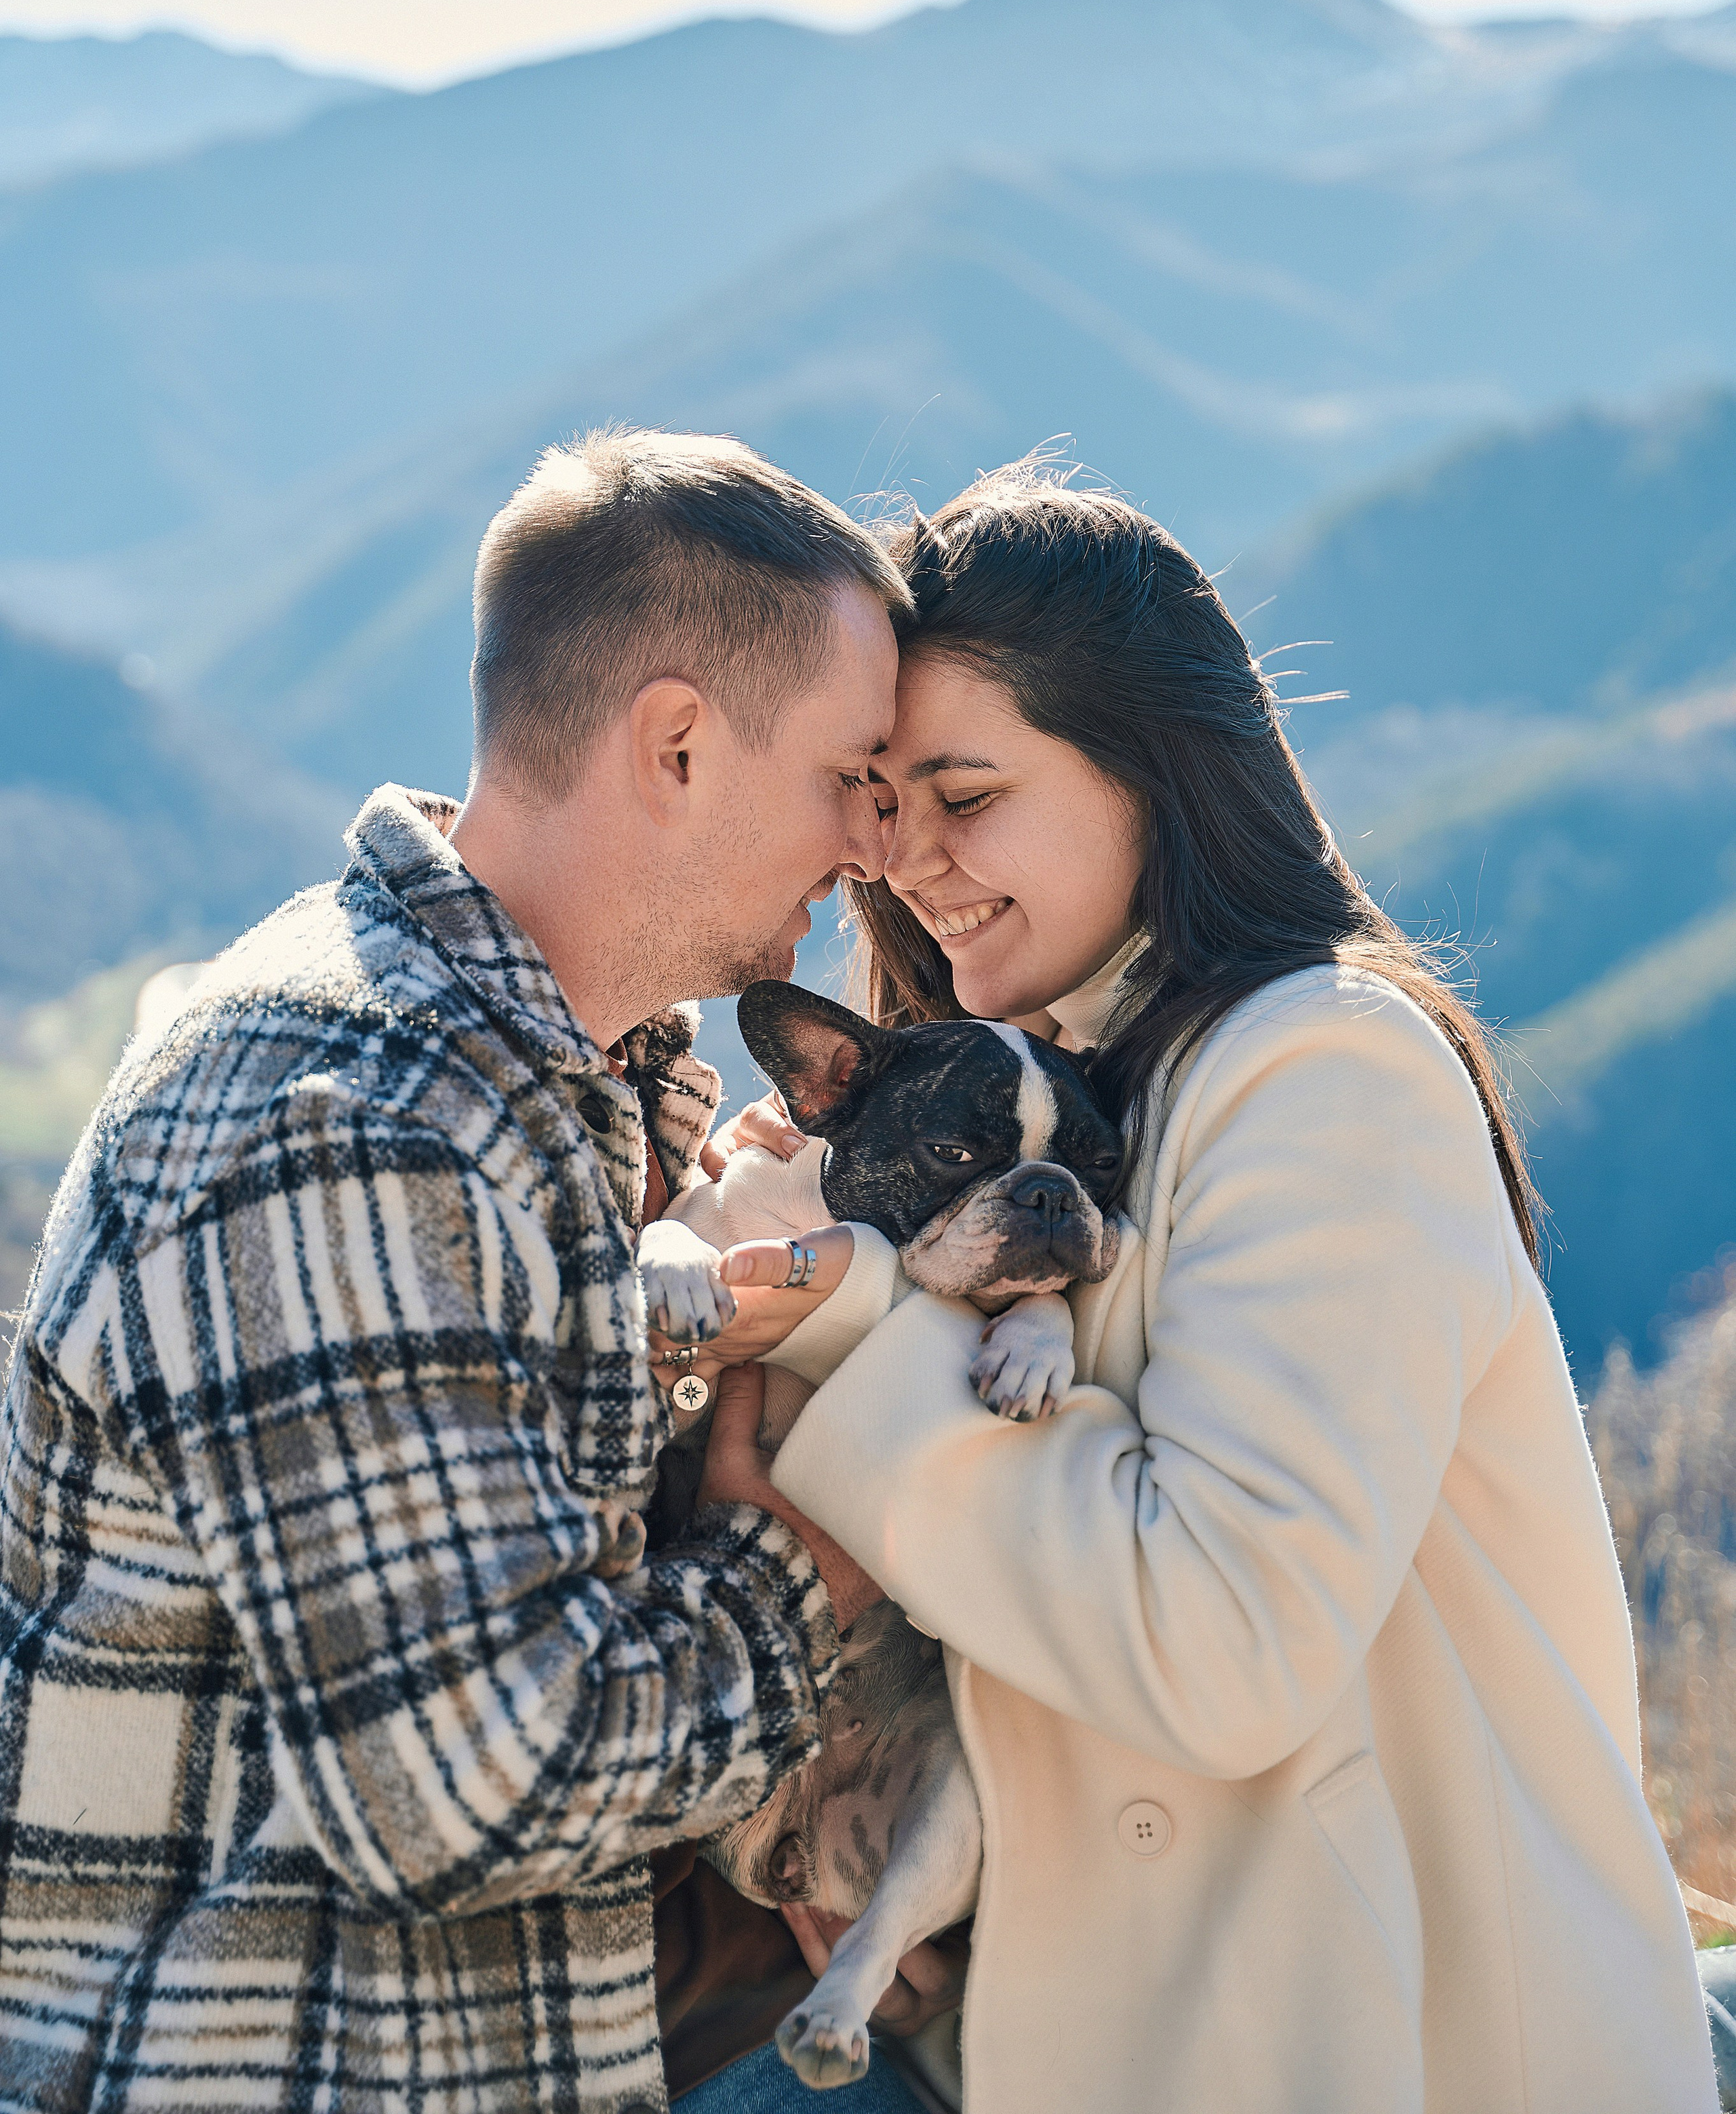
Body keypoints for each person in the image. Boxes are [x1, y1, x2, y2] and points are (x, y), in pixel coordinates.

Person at [689, 465, 1720, 2113]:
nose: (914, 863)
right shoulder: (1043, 1086)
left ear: (1151, 774)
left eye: (967, 795)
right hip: (1052, 2015)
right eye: (885, 804)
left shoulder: (1327, 1071)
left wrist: (842, 1320)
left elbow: (1217, 1646)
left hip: (1386, 2050)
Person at [0, 430, 914, 2114]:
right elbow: (469, 1787)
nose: (867, 841)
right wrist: (820, 1566)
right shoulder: (351, 1122)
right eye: (848, 771)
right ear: (680, 742)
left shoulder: (536, 1094)